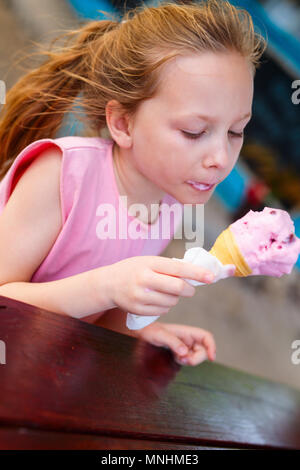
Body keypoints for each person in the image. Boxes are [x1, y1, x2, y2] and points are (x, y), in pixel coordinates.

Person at [0, 1, 266, 366]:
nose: (221, 157)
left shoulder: (171, 203)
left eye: (236, 132)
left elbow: (101, 314)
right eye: (194, 132)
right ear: (123, 124)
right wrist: (106, 285)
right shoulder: (62, 174)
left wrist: (137, 330)